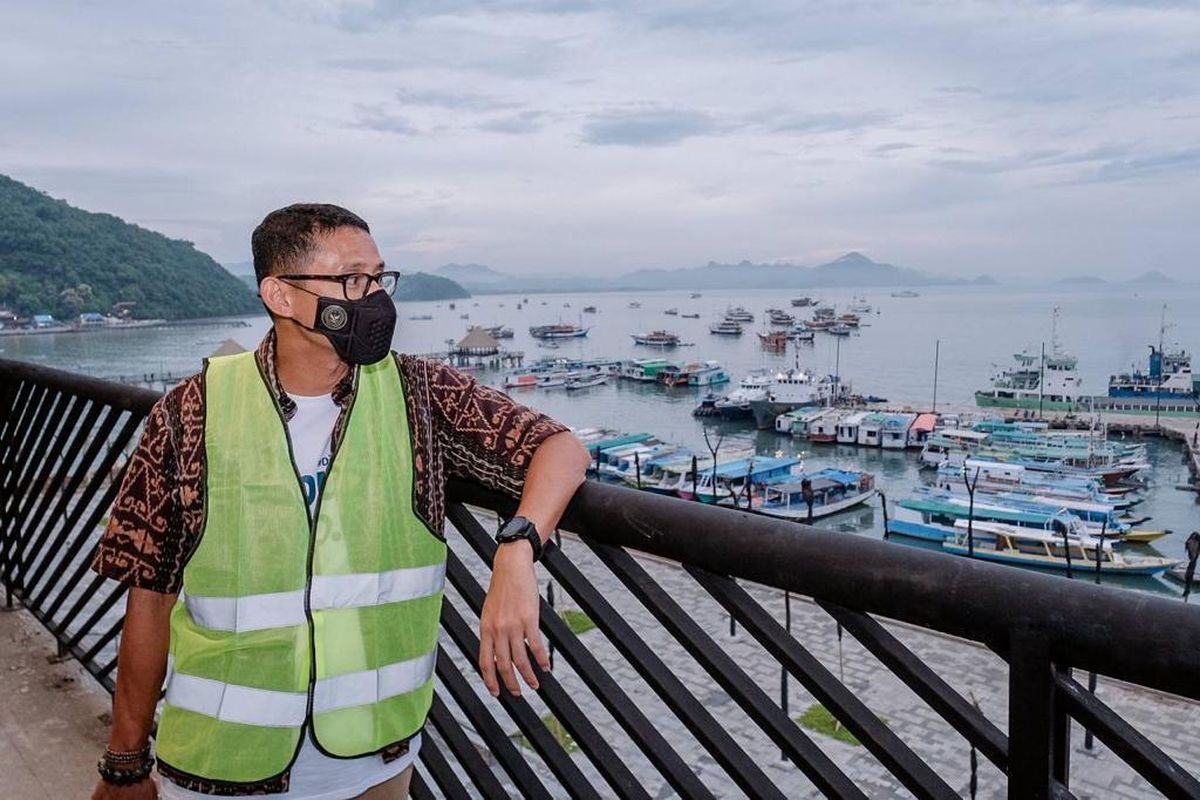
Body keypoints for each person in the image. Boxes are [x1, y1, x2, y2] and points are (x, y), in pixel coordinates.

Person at [89, 203, 591, 799]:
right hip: (218, 764)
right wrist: (125, 761)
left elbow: (559, 448)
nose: (375, 298)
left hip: (373, 764)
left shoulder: (419, 395)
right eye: (353, 280)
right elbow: (150, 596)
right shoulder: (188, 414)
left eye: (380, 278)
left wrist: (516, 550)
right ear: (280, 294)